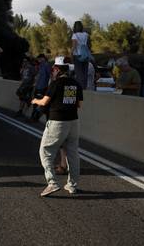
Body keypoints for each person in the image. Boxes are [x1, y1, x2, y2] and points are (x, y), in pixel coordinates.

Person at [31, 56, 83, 197]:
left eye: (53, 69)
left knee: (45, 151)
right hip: (73, 122)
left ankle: (52, 183)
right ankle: (72, 185)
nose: (52, 71)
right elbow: (79, 105)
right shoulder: (75, 83)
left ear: (57, 69)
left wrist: (35, 100)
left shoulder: (55, 83)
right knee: (72, 154)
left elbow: (44, 102)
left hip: (58, 122)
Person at [71, 21, 91, 89]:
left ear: (75, 27)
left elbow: (74, 46)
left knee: (79, 73)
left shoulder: (75, 35)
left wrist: (71, 53)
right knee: (85, 72)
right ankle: (84, 87)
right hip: (85, 55)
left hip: (77, 55)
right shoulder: (86, 34)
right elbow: (88, 45)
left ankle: (80, 88)